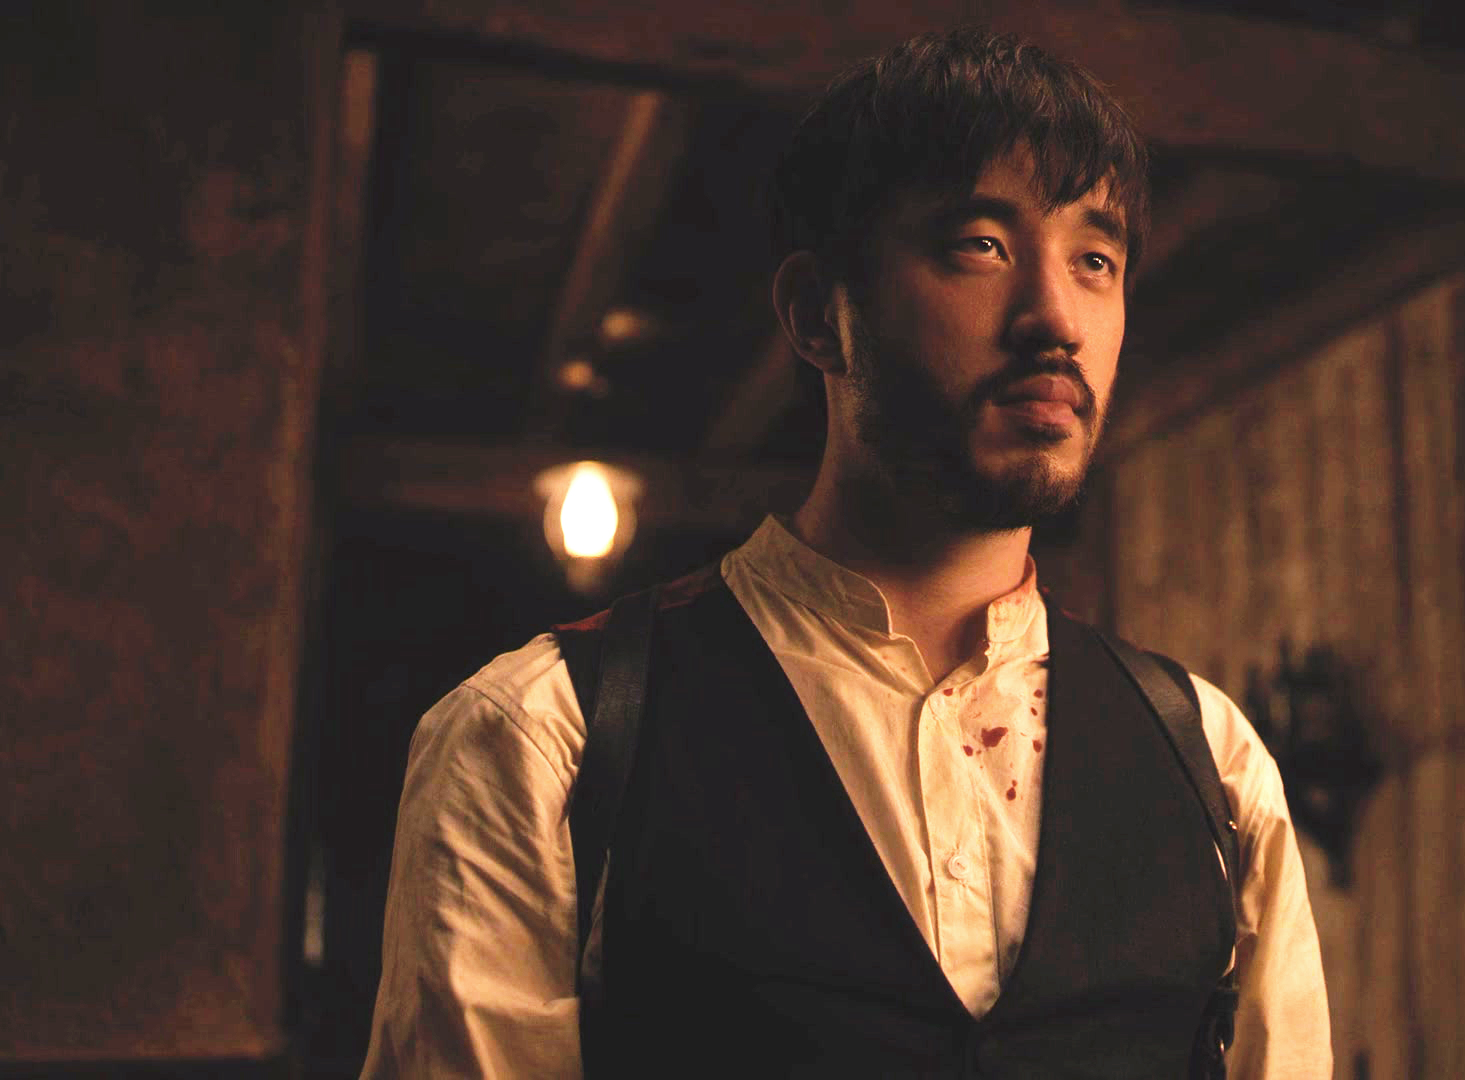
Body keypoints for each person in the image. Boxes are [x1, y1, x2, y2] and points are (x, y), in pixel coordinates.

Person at [361, 28, 1331, 1079]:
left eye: (1095, 260)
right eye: (981, 245)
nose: (1056, 316)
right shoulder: (545, 740)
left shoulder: (1212, 762)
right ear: (819, 317)